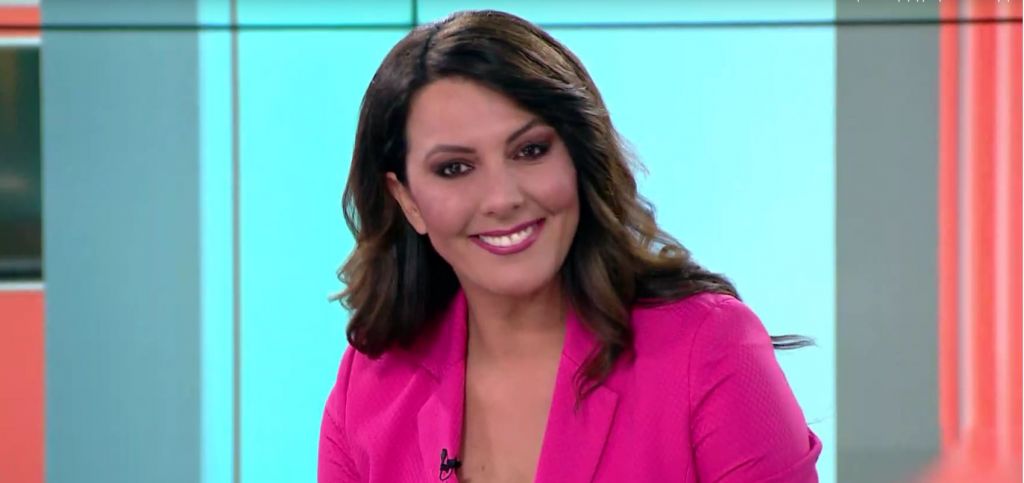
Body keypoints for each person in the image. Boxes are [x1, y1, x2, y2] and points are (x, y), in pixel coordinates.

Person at [319, 9, 822, 483]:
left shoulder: (708, 350)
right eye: (455, 168)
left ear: (578, 159)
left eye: (530, 150)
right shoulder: (369, 387)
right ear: (406, 200)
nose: (503, 198)